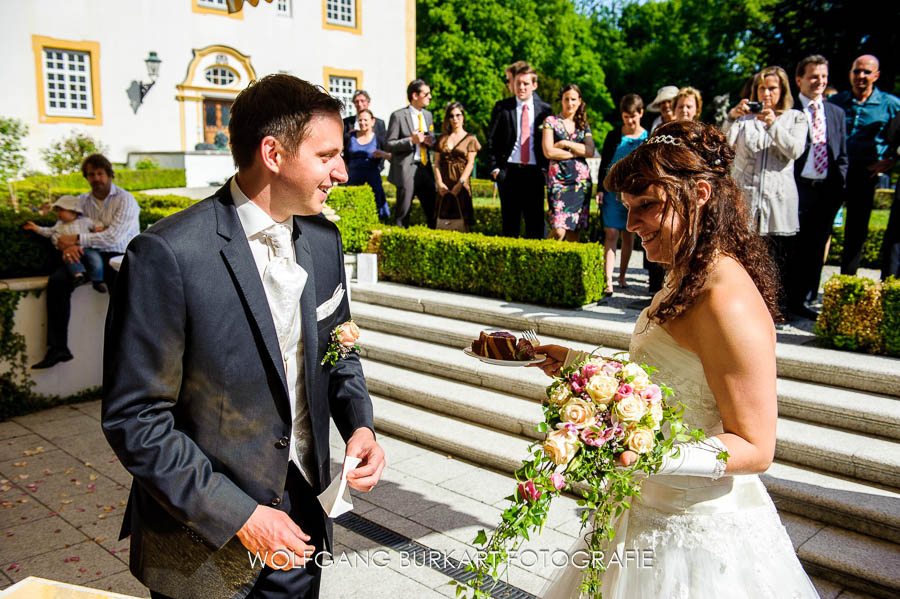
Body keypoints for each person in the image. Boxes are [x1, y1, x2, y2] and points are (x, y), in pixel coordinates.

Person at [101, 74, 386, 599]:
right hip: (200, 545)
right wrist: (240, 517)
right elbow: (136, 419)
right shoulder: (168, 254)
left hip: (303, 519)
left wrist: (359, 424)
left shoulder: (324, 239)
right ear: (273, 153)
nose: (342, 172)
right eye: (326, 155)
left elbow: (339, 352)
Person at [535, 120, 820, 599]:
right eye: (627, 208)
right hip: (642, 503)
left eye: (647, 206)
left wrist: (654, 454)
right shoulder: (683, 274)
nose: (631, 225)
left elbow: (756, 446)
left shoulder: (726, 299)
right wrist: (575, 362)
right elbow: (660, 377)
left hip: (700, 531)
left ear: (701, 193)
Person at [31, 153, 140, 369]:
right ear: (86, 177)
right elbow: (60, 232)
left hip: (116, 256)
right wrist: (67, 244)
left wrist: (77, 239)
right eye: (91, 174)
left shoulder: (125, 199)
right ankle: (58, 348)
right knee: (58, 281)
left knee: (122, 294)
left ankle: (131, 354)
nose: (96, 178)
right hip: (86, 254)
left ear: (109, 174)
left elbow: (114, 237)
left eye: (100, 173)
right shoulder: (80, 202)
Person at [724, 66, 807, 320]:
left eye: (772, 88)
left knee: (776, 259)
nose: (767, 93)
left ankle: (773, 310)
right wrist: (731, 117)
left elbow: (795, 150)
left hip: (777, 200)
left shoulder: (795, 118)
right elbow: (723, 148)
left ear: (782, 90)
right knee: (742, 256)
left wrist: (773, 125)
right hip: (745, 197)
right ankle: (741, 308)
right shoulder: (745, 119)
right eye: (762, 88)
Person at [787, 55, 848, 319]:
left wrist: (840, 186)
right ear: (799, 79)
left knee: (814, 248)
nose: (819, 82)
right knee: (790, 248)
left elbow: (842, 153)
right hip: (795, 187)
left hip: (825, 190)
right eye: (813, 77)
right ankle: (781, 300)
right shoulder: (789, 111)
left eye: (823, 77)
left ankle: (803, 300)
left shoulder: (836, 112)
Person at [829, 54, 900, 275]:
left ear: (876, 75)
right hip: (834, 173)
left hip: (865, 174)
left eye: (867, 72)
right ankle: (808, 286)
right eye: (856, 71)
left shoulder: (891, 104)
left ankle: (846, 279)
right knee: (820, 228)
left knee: (856, 232)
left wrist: (892, 160)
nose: (861, 76)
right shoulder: (836, 102)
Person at [486, 61, 553, 238]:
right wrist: (495, 169)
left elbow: (550, 141)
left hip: (535, 172)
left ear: (534, 85)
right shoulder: (502, 108)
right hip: (509, 172)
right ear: (513, 84)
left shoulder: (545, 110)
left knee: (536, 223)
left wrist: (546, 168)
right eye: (518, 83)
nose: (521, 87)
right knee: (510, 224)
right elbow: (491, 140)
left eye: (526, 83)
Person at [598, 94, 647, 294]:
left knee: (629, 234)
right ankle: (607, 279)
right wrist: (600, 189)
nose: (630, 120)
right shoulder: (613, 135)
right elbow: (604, 163)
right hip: (612, 191)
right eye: (626, 116)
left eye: (633, 116)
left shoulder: (647, 137)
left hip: (634, 193)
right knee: (611, 233)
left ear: (641, 113)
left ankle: (622, 275)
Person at [542, 84, 595, 241]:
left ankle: (568, 265)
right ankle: (544, 258)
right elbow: (549, 151)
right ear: (561, 101)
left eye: (573, 99)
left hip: (580, 183)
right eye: (566, 99)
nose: (570, 103)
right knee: (559, 230)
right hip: (558, 181)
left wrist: (566, 144)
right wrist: (577, 152)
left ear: (579, 101)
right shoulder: (550, 122)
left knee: (574, 231)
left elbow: (590, 151)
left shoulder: (583, 125)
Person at [23, 195, 107, 292]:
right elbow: (48, 232)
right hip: (69, 249)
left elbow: (96, 224)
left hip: (85, 247)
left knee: (96, 259)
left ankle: (97, 280)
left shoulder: (84, 221)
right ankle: (78, 275)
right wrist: (36, 228)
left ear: (74, 212)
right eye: (58, 210)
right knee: (69, 258)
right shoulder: (59, 225)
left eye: (62, 210)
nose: (59, 213)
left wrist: (98, 228)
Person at [386, 79, 437, 228]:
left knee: (433, 209)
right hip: (407, 168)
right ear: (415, 95)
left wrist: (431, 142)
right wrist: (410, 141)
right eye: (426, 94)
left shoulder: (428, 115)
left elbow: (432, 141)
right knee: (403, 212)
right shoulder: (398, 116)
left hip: (425, 167)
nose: (430, 97)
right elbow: (389, 144)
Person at [646, 86, 680, 294]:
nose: (666, 107)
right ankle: (655, 285)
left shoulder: (684, 125)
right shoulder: (656, 125)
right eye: (663, 104)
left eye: (670, 103)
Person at [434, 101, 481, 230]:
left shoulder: (470, 139)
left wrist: (460, 183)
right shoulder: (442, 139)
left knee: (463, 220)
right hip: (444, 184)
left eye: (458, 115)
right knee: (442, 220)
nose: (455, 119)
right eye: (451, 116)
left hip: (461, 183)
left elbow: (470, 163)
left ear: (463, 116)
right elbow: (436, 162)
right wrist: (439, 183)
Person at [345, 108, 391, 221]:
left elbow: (391, 156)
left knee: (377, 202)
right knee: (352, 204)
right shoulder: (350, 137)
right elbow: (344, 156)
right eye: (360, 120)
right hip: (353, 176)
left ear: (373, 121)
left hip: (373, 175)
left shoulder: (379, 138)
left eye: (365, 120)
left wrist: (383, 154)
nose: (362, 123)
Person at [342, 89, 387, 159]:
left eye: (362, 101)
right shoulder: (346, 123)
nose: (359, 104)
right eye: (356, 101)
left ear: (368, 103)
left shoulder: (379, 123)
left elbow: (383, 147)